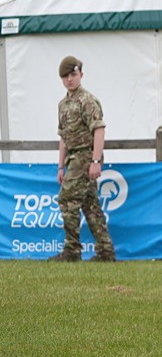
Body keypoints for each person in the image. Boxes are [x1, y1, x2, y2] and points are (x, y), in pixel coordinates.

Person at [51, 56, 116, 261]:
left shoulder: (87, 100)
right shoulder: (63, 104)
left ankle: (72, 250)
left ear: (81, 75)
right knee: (89, 204)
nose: (69, 79)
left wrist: (95, 161)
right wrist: (60, 167)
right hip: (72, 159)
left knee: (66, 198)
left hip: (86, 156)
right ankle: (106, 251)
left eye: (73, 74)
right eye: (65, 76)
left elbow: (99, 129)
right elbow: (63, 137)